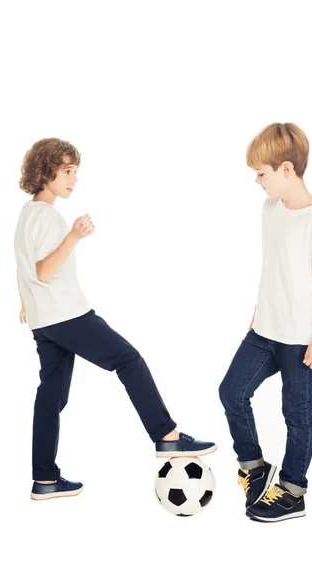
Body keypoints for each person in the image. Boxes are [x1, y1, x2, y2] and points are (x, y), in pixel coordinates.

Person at [14, 137, 216, 501]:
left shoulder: (28, 213)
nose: (74, 178)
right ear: (46, 172)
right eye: (68, 171)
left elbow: (23, 268)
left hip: (45, 320)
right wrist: (74, 235)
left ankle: (44, 479)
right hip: (67, 314)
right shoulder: (48, 217)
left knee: (50, 396)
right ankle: (166, 436)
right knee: (129, 359)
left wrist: (26, 303)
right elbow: (43, 271)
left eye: (76, 170)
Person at [219, 123, 312, 522]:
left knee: (297, 412)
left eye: (262, 173)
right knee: (231, 393)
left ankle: (293, 491)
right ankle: (254, 468)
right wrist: (259, 313)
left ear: (286, 169)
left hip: (298, 338)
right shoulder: (270, 209)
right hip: (264, 331)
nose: (257, 181)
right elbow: (276, 268)